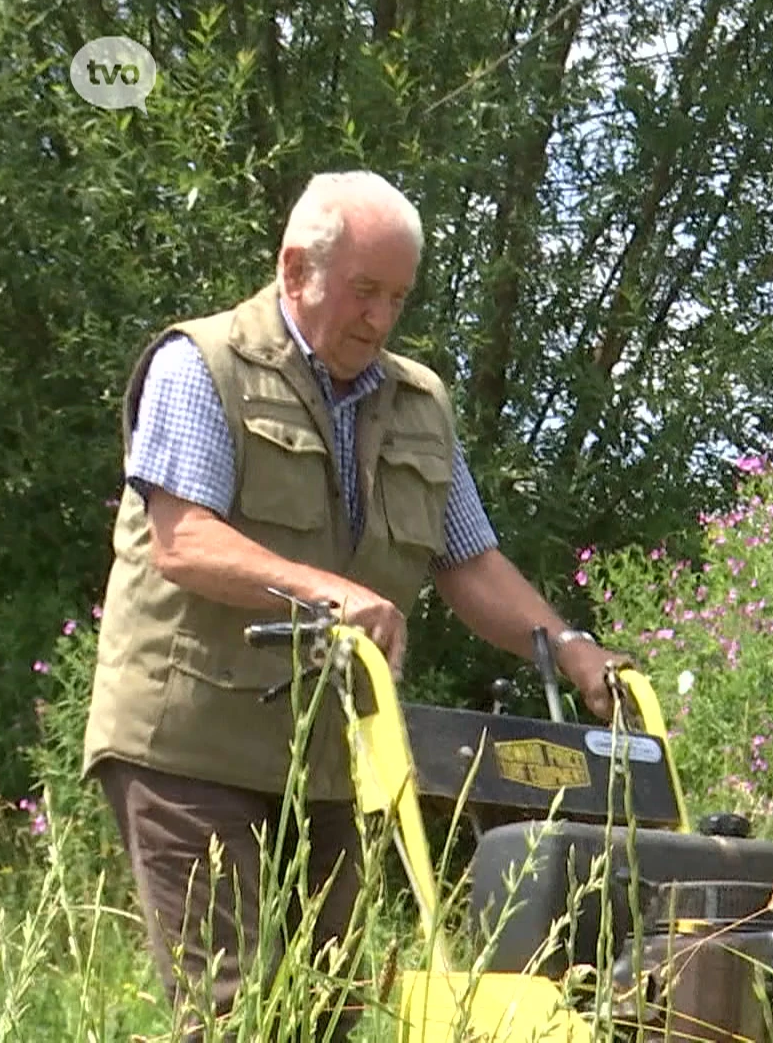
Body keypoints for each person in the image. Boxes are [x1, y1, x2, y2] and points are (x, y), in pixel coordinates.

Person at [81, 170, 626, 1041]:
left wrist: (570, 648)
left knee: (327, 1009)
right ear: (296, 269)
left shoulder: (418, 402)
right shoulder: (201, 364)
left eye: (397, 297)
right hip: (189, 744)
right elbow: (184, 541)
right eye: (363, 291)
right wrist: (331, 592)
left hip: (335, 752)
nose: (379, 317)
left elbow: (469, 561)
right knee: (234, 1013)